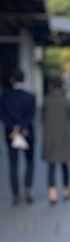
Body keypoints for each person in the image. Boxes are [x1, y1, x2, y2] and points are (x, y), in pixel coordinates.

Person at [0, 69, 36, 206]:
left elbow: (2, 114)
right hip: (27, 133)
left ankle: (16, 195)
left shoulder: (5, 96)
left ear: (12, 80)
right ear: (24, 80)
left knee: (13, 165)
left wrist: (14, 129)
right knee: (30, 162)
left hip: (11, 134)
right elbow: (31, 115)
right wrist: (22, 129)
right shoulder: (31, 97)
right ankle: (27, 188)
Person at [42, 77, 70, 205]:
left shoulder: (47, 100)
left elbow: (43, 118)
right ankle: (66, 190)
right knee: (65, 165)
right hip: (64, 136)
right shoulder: (66, 101)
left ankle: (52, 194)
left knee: (51, 166)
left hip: (50, 136)